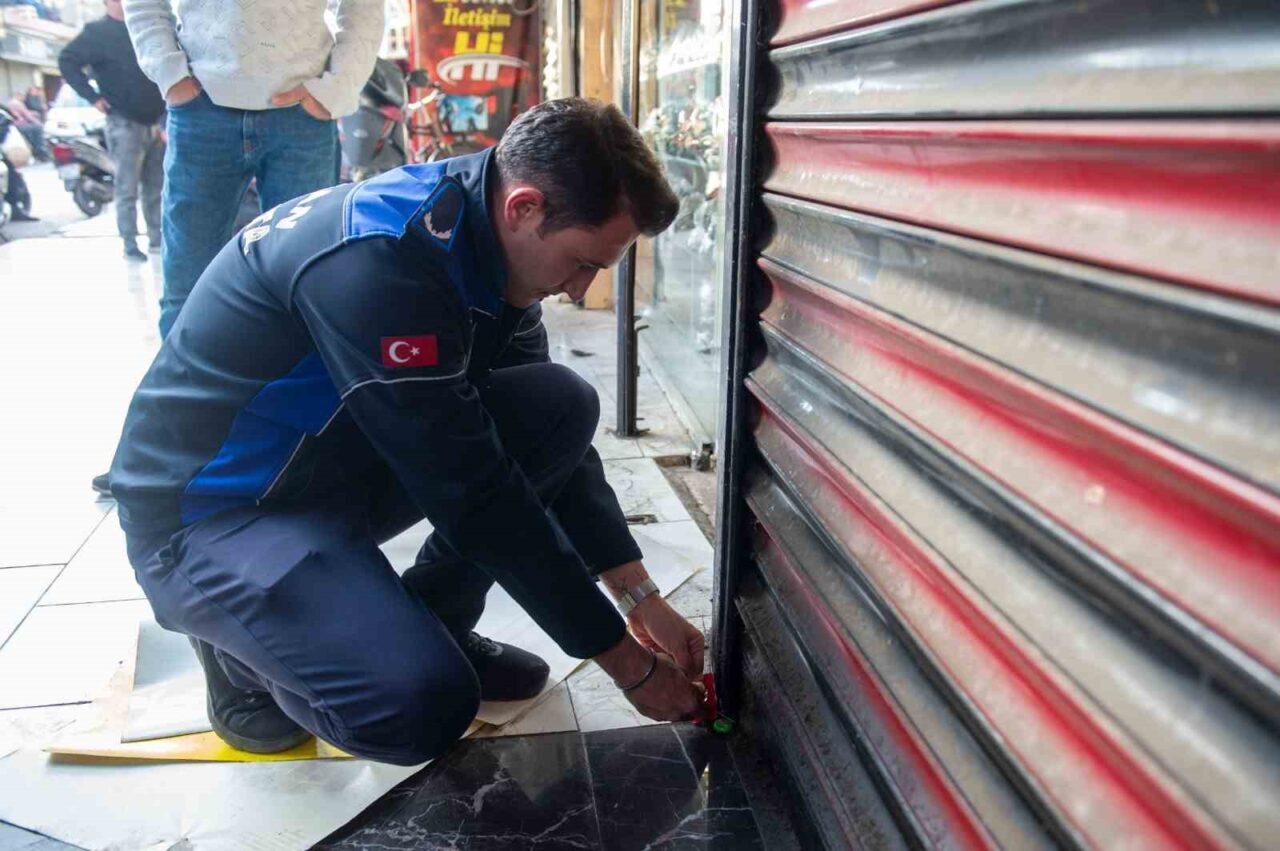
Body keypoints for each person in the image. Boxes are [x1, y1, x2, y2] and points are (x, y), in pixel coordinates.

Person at [107, 98, 705, 761]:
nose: (579, 289)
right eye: (584, 262)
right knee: (418, 707)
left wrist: (639, 597)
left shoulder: (490, 243)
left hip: (321, 464)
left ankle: (432, 624)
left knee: (558, 402)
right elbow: (472, 490)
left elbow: (535, 452)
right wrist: (626, 664)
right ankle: (245, 654)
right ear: (525, 208)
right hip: (211, 515)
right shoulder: (382, 260)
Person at [122, 0, 384, 338]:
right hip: (201, 108)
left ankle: (299, 373)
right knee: (188, 284)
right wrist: (171, 77)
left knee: (307, 280)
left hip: (302, 114)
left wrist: (336, 88)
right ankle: (183, 373)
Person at [59, 0, 166, 260]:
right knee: (127, 187)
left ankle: (157, 239)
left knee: (156, 187)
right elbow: (67, 61)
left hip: (156, 120)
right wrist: (92, 97)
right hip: (124, 121)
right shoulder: (97, 33)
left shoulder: (145, 26)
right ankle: (130, 243)